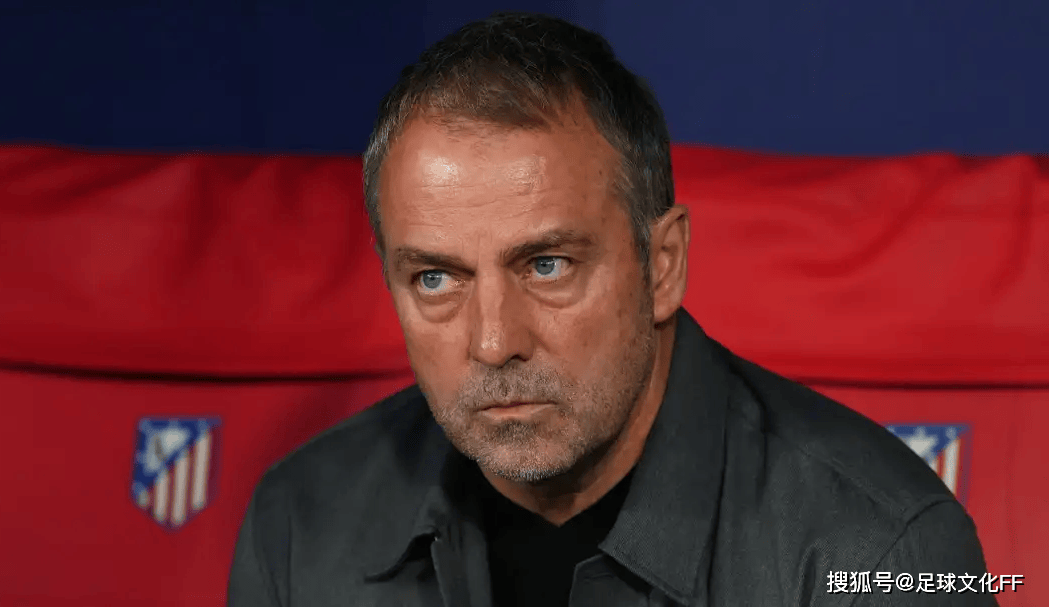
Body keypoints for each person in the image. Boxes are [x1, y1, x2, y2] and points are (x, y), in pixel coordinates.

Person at [227, 12, 996, 607]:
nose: (493, 341)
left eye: (547, 265)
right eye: (435, 278)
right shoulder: (299, 523)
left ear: (663, 264)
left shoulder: (885, 550)